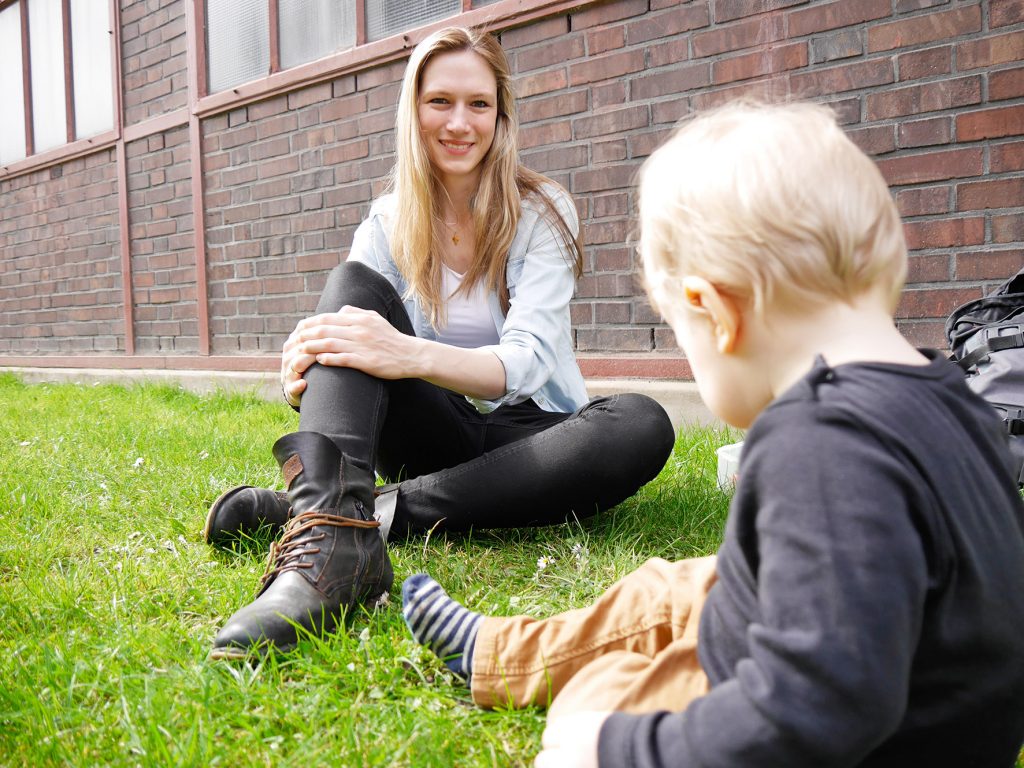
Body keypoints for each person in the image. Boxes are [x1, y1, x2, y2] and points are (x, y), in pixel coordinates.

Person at [400, 101, 1024, 767]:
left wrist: (613, 748)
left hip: (870, 742)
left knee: (608, 691)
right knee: (682, 585)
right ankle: (500, 652)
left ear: (715, 313)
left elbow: (810, 710)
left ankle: (586, 713)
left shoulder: (822, 446)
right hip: (937, 697)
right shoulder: (951, 398)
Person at [205, 27, 675, 660]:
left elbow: (526, 364)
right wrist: (307, 359)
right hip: (429, 433)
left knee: (640, 422)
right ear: (414, 110)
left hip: (533, 438)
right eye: (440, 102)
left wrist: (406, 354)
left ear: (501, 116)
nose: (459, 123)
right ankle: (330, 549)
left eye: (479, 104)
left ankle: (349, 513)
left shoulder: (543, 211)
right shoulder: (387, 221)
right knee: (351, 288)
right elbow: (349, 335)